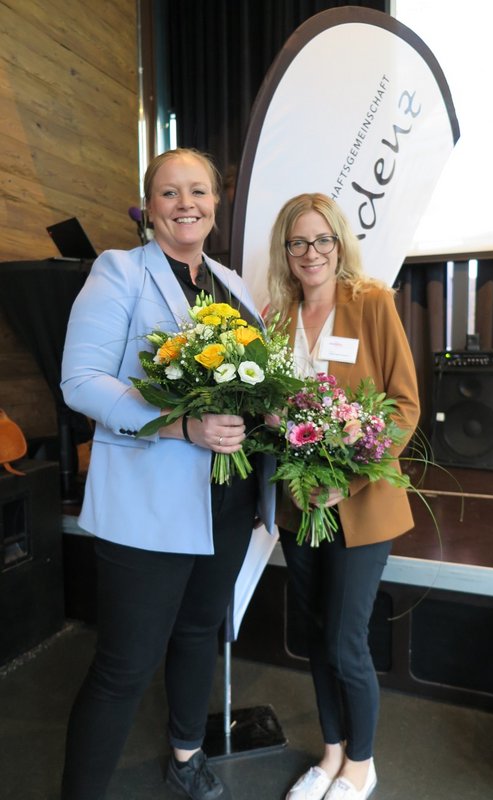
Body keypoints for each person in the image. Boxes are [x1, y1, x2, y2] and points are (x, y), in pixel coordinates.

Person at [60, 147, 275, 800]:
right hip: (148, 506)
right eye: (170, 192)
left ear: (216, 204)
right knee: (123, 668)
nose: (186, 204)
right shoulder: (120, 271)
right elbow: (81, 381)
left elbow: (255, 380)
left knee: (198, 632)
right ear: (149, 207)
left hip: (228, 502)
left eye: (199, 191)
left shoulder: (232, 283)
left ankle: (186, 756)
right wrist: (179, 427)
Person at [266, 193, 420, 800]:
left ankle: (362, 762)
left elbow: (403, 405)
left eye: (322, 240)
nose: (311, 253)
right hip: (299, 505)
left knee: (343, 638)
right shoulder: (277, 317)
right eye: (298, 242)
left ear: (339, 243)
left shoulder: (372, 302)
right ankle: (331, 754)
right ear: (285, 251)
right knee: (313, 633)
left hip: (360, 502)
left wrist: (348, 478)